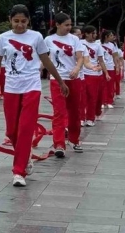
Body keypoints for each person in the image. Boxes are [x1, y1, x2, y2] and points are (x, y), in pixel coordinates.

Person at [0, 4, 68, 188]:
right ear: (10, 20)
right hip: (11, 88)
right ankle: (25, 157)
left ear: (28, 21)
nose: (20, 25)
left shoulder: (36, 37)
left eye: (23, 21)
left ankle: (19, 171)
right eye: (16, 21)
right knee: (11, 132)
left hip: (31, 87)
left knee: (25, 129)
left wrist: (60, 81)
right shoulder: (3, 38)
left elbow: (46, 61)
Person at [45, 13, 95, 157]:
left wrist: (77, 68)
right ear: (57, 25)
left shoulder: (74, 39)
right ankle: (59, 144)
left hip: (74, 79)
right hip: (57, 79)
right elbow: (45, 58)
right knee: (59, 112)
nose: (69, 27)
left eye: (70, 25)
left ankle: (74, 139)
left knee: (75, 111)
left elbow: (80, 58)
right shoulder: (48, 40)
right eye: (66, 25)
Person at [80, 25, 110, 127]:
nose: (95, 35)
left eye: (95, 33)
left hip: (94, 74)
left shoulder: (98, 46)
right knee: (82, 98)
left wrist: (105, 72)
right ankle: (81, 118)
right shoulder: (80, 43)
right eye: (93, 33)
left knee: (92, 97)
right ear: (86, 34)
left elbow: (101, 61)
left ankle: (90, 118)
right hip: (82, 74)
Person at [100, 31, 121, 109]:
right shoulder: (98, 43)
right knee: (102, 85)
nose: (113, 37)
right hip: (100, 67)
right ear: (106, 36)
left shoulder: (112, 45)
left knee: (110, 85)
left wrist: (117, 66)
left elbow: (115, 57)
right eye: (111, 35)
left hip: (110, 67)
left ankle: (109, 101)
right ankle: (102, 101)